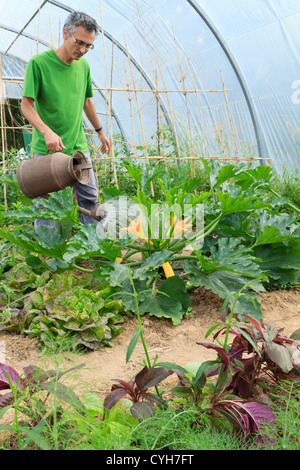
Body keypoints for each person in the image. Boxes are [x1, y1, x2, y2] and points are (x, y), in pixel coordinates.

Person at [21, 11, 110, 226]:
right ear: (65, 33)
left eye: (88, 45)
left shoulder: (84, 66)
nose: (83, 50)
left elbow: (87, 102)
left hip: (78, 147)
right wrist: (46, 131)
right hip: (46, 151)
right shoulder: (39, 63)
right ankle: (50, 255)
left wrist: (100, 131)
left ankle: (93, 248)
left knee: (90, 199)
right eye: (79, 42)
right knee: (46, 206)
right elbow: (26, 105)